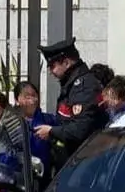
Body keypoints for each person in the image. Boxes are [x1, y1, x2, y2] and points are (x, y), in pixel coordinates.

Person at [33, 38, 108, 171]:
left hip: (85, 163)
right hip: (72, 161)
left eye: (52, 65)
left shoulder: (84, 87)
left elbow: (79, 129)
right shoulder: (71, 85)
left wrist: (51, 131)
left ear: (66, 63)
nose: (50, 71)